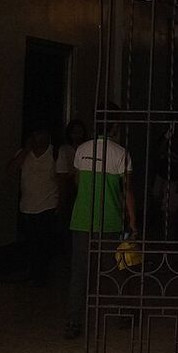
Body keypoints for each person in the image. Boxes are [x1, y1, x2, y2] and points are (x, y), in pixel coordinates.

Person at [67, 112, 136, 341]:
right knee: (116, 270)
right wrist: (133, 221)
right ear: (114, 128)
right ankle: (122, 314)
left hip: (82, 219)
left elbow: (76, 181)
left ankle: (73, 322)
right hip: (109, 220)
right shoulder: (121, 153)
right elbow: (126, 190)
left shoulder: (81, 150)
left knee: (79, 272)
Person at [8, 125, 60, 284]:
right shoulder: (23, 154)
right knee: (30, 241)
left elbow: (62, 180)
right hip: (27, 205)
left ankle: (41, 274)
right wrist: (25, 150)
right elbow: (10, 169)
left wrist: (60, 203)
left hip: (48, 204)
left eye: (41, 133)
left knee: (44, 241)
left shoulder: (55, 153)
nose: (38, 137)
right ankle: (32, 272)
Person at [54, 118, 86, 225]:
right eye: (74, 132)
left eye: (80, 132)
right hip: (70, 188)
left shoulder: (87, 149)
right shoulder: (65, 150)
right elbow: (62, 175)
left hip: (85, 187)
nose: (77, 135)